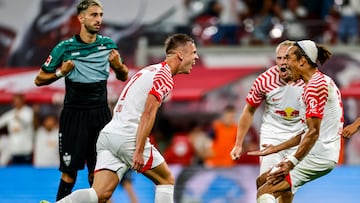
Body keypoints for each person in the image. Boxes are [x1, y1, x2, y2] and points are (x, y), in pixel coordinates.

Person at [55, 33, 199, 203]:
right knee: (166, 180)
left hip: (109, 134)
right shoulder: (164, 77)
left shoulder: (148, 70)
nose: (196, 57)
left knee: (100, 194)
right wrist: (138, 150)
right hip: (128, 136)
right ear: (180, 55)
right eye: (193, 52)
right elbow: (148, 113)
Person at [34, 0, 129, 201]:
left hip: (101, 115)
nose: (99, 19)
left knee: (98, 174)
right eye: (94, 15)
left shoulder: (108, 45)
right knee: (70, 173)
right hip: (74, 114)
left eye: (101, 15)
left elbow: (123, 75)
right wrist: (62, 72)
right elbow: (39, 79)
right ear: (81, 18)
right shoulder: (64, 47)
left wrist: (118, 66)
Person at [252, 40, 343, 203]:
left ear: (302, 61)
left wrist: (292, 162)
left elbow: (314, 132)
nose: (285, 64)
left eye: (289, 58)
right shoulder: (314, 84)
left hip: (318, 154)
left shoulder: (316, 86)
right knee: (262, 181)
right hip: (315, 149)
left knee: (266, 190)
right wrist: (276, 148)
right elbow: (307, 131)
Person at [230, 40, 304, 202]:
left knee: (286, 190)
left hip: (298, 139)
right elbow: (248, 110)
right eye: (279, 58)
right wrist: (238, 143)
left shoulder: (309, 80)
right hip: (272, 137)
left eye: (287, 58)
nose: (283, 62)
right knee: (267, 182)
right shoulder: (264, 80)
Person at [0, 93, 34, 165]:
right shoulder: (11, 113)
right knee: (15, 172)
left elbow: (27, 122)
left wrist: (19, 118)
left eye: (18, 101)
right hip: (14, 149)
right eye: (15, 101)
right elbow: (1, 122)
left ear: (23, 101)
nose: (16, 103)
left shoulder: (28, 112)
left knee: (26, 171)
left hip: (26, 149)